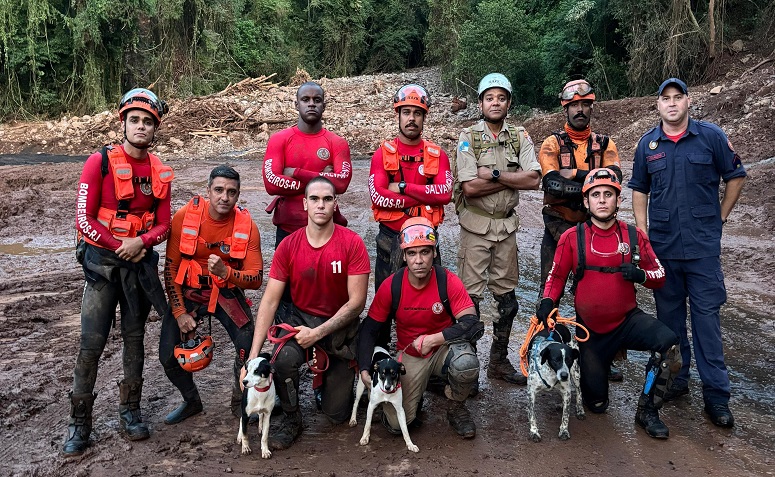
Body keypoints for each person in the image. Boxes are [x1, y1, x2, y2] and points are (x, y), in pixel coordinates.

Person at [629, 78, 746, 428]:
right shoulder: (648, 145)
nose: (672, 104)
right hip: (663, 249)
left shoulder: (710, 136)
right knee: (670, 321)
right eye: (666, 99)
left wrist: (721, 216)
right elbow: (639, 190)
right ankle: (676, 380)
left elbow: (736, 176)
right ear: (658, 105)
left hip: (702, 249)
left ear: (688, 102)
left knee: (707, 321)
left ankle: (716, 396)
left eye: (678, 98)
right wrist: (643, 234)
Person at [65, 88, 173, 456]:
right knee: (90, 345)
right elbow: (84, 217)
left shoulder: (159, 171)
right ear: (123, 122)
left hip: (138, 267)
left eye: (148, 122)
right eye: (135, 120)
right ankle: (79, 423)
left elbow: (164, 225)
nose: (141, 127)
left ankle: (131, 412)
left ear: (155, 127)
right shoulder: (99, 163)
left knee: (134, 339)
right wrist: (120, 246)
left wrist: (140, 243)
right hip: (101, 267)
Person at [537, 168, 681, 439]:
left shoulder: (634, 236)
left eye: (608, 194)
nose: (602, 200)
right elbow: (555, 277)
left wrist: (641, 275)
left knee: (669, 345)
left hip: (628, 320)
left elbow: (660, 276)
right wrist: (547, 303)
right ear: (586, 202)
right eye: (595, 195)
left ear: (618, 200)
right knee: (597, 405)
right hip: (591, 332)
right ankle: (591, 376)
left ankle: (648, 409)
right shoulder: (572, 237)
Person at [245, 176, 370, 450]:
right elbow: (269, 301)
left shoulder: (352, 243)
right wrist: (254, 355)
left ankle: (322, 384)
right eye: (314, 199)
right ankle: (292, 417)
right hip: (299, 323)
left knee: (336, 415)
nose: (321, 205)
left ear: (335, 204)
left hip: (339, 328)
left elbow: (357, 303)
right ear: (304, 204)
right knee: (283, 360)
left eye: (327, 199)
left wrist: (318, 334)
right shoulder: (289, 245)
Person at [358, 217, 483, 438]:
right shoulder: (392, 285)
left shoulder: (448, 281)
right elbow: (370, 329)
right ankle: (419, 393)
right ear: (404, 256)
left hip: (443, 348)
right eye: (412, 253)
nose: (419, 260)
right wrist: (364, 368)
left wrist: (434, 339)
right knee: (397, 425)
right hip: (411, 354)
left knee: (466, 363)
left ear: (434, 253)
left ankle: (455, 407)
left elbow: (472, 324)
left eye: (425, 252)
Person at [453, 73, 541, 386]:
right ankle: (468, 368)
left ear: (508, 103)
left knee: (508, 302)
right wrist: (508, 175)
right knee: (470, 303)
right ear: (480, 103)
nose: (495, 103)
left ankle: (498, 362)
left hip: (506, 226)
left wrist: (490, 172)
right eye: (489, 98)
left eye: (501, 98)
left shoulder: (519, 136)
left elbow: (533, 179)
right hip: (475, 226)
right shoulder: (469, 136)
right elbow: (469, 189)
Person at [159, 165, 263, 424]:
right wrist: (180, 312)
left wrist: (227, 272)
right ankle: (191, 400)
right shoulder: (185, 216)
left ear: (238, 196)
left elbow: (256, 278)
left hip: (226, 290)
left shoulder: (247, 226)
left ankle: (240, 404)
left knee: (247, 345)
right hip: (190, 291)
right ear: (208, 191)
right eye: (218, 190)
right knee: (167, 356)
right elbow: (170, 267)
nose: (224, 197)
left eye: (231, 192)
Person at [537, 78, 624, 381]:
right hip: (558, 225)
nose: (580, 109)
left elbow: (614, 177)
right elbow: (551, 183)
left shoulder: (605, 143)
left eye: (585, 104)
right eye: (574, 105)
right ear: (566, 108)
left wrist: (572, 175)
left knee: (599, 294)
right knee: (551, 292)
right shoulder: (552, 143)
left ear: (591, 106)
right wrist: (592, 182)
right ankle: (549, 349)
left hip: (595, 228)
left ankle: (602, 355)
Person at [369, 83, 453, 296]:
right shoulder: (382, 154)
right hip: (390, 237)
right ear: (398, 115)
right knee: (384, 301)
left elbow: (444, 194)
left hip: (426, 238)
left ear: (424, 117)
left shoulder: (438, 154)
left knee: (431, 299)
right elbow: (378, 196)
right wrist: (424, 196)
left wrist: (403, 187)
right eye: (406, 112)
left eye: (417, 113)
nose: (412, 118)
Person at [263, 81, 352, 248]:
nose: (311, 104)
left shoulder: (337, 143)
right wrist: (322, 177)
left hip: (327, 230)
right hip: (288, 229)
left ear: (323, 106)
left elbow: (341, 183)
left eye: (317, 100)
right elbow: (271, 184)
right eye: (306, 99)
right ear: (297, 105)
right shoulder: (279, 139)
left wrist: (297, 172)